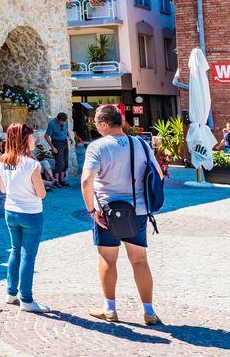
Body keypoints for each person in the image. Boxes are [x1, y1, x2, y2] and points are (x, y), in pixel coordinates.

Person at [81, 104, 164, 325]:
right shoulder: (141, 144)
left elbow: (86, 181)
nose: (96, 127)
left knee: (108, 260)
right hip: (138, 210)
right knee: (139, 261)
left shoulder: (97, 147)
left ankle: (110, 309)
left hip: (107, 213)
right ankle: (149, 311)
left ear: (105, 124)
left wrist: (91, 210)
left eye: (97, 123)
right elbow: (158, 174)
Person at [0, 122, 50, 312]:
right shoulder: (32, 164)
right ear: (23, 139)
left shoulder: (3, 161)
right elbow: (41, 193)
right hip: (31, 213)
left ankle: (11, 293)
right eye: (31, 136)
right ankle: (26, 299)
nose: (34, 139)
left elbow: (3, 188)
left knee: (14, 251)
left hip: (10, 211)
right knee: (28, 256)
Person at [44, 112, 72, 187]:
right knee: (60, 162)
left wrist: (70, 137)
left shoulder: (65, 121)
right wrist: (52, 147)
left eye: (64, 121)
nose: (63, 123)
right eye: (62, 121)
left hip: (64, 142)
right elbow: (46, 136)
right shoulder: (52, 123)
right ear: (58, 119)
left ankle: (62, 180)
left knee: (66, 162)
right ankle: (56, 181)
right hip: (57, 143)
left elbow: (66, 130)